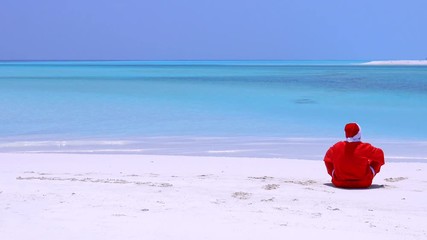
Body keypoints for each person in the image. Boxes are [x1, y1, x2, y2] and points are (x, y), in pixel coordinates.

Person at [324, 122, 385, 188]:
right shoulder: (365, 147)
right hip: (363, 183)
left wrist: (333, 172)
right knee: (374, 160)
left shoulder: (337, 146)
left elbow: (326, 159)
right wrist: (369, 163)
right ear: (359, 134)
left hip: (339, 182)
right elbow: (380, 155)